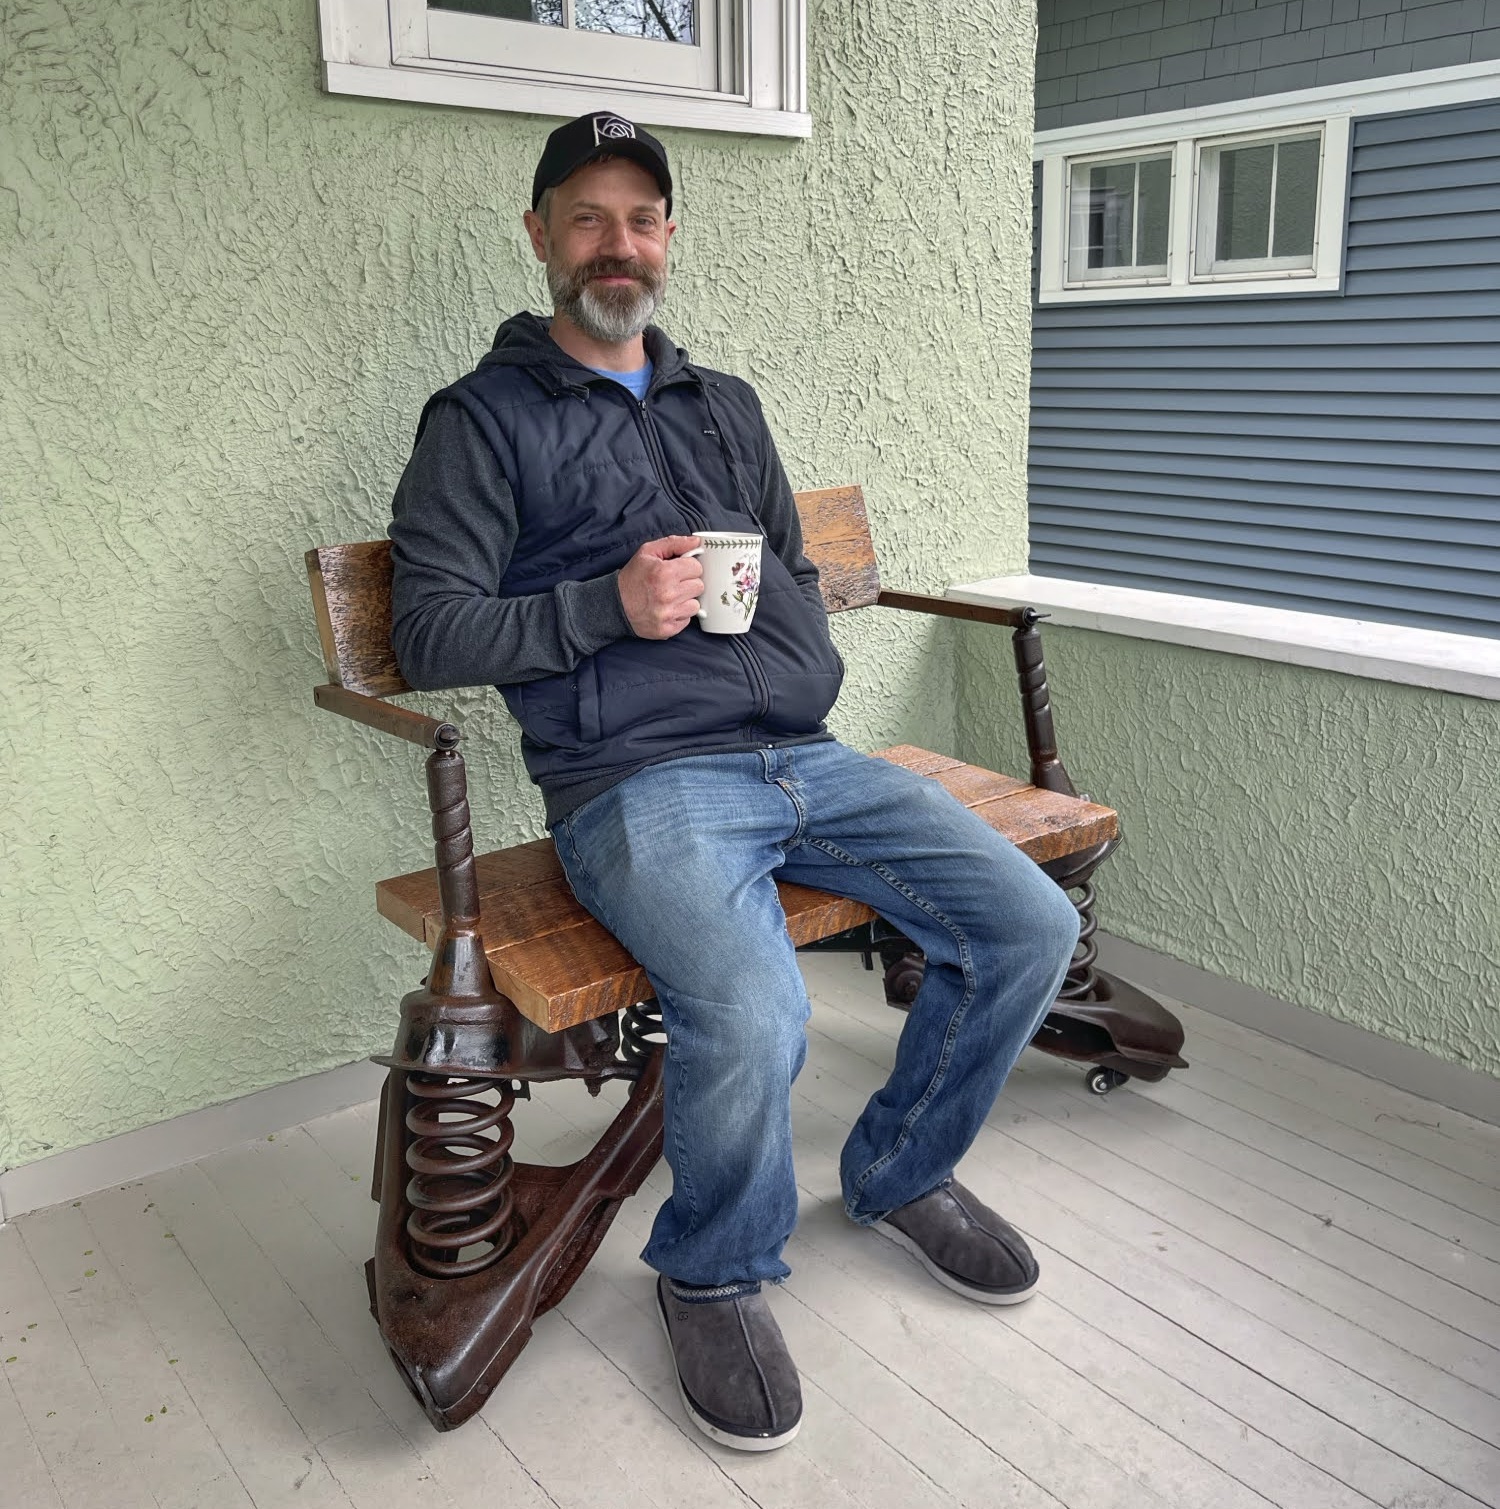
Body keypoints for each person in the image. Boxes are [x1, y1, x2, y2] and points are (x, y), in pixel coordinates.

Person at [388, 111, 1080, 1453]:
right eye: (586, 216)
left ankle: (899, 1169)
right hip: (639, 784)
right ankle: (712, 1266)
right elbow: (432, 633)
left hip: (806, 757)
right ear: (540, 237)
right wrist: (602, 603)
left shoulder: (727, 404)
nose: (617, 242)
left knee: (1028, 923)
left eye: (641, 218)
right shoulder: (483, 423)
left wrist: (798, 643)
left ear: (666, 240)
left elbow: (784, 569)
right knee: (760, 1012)